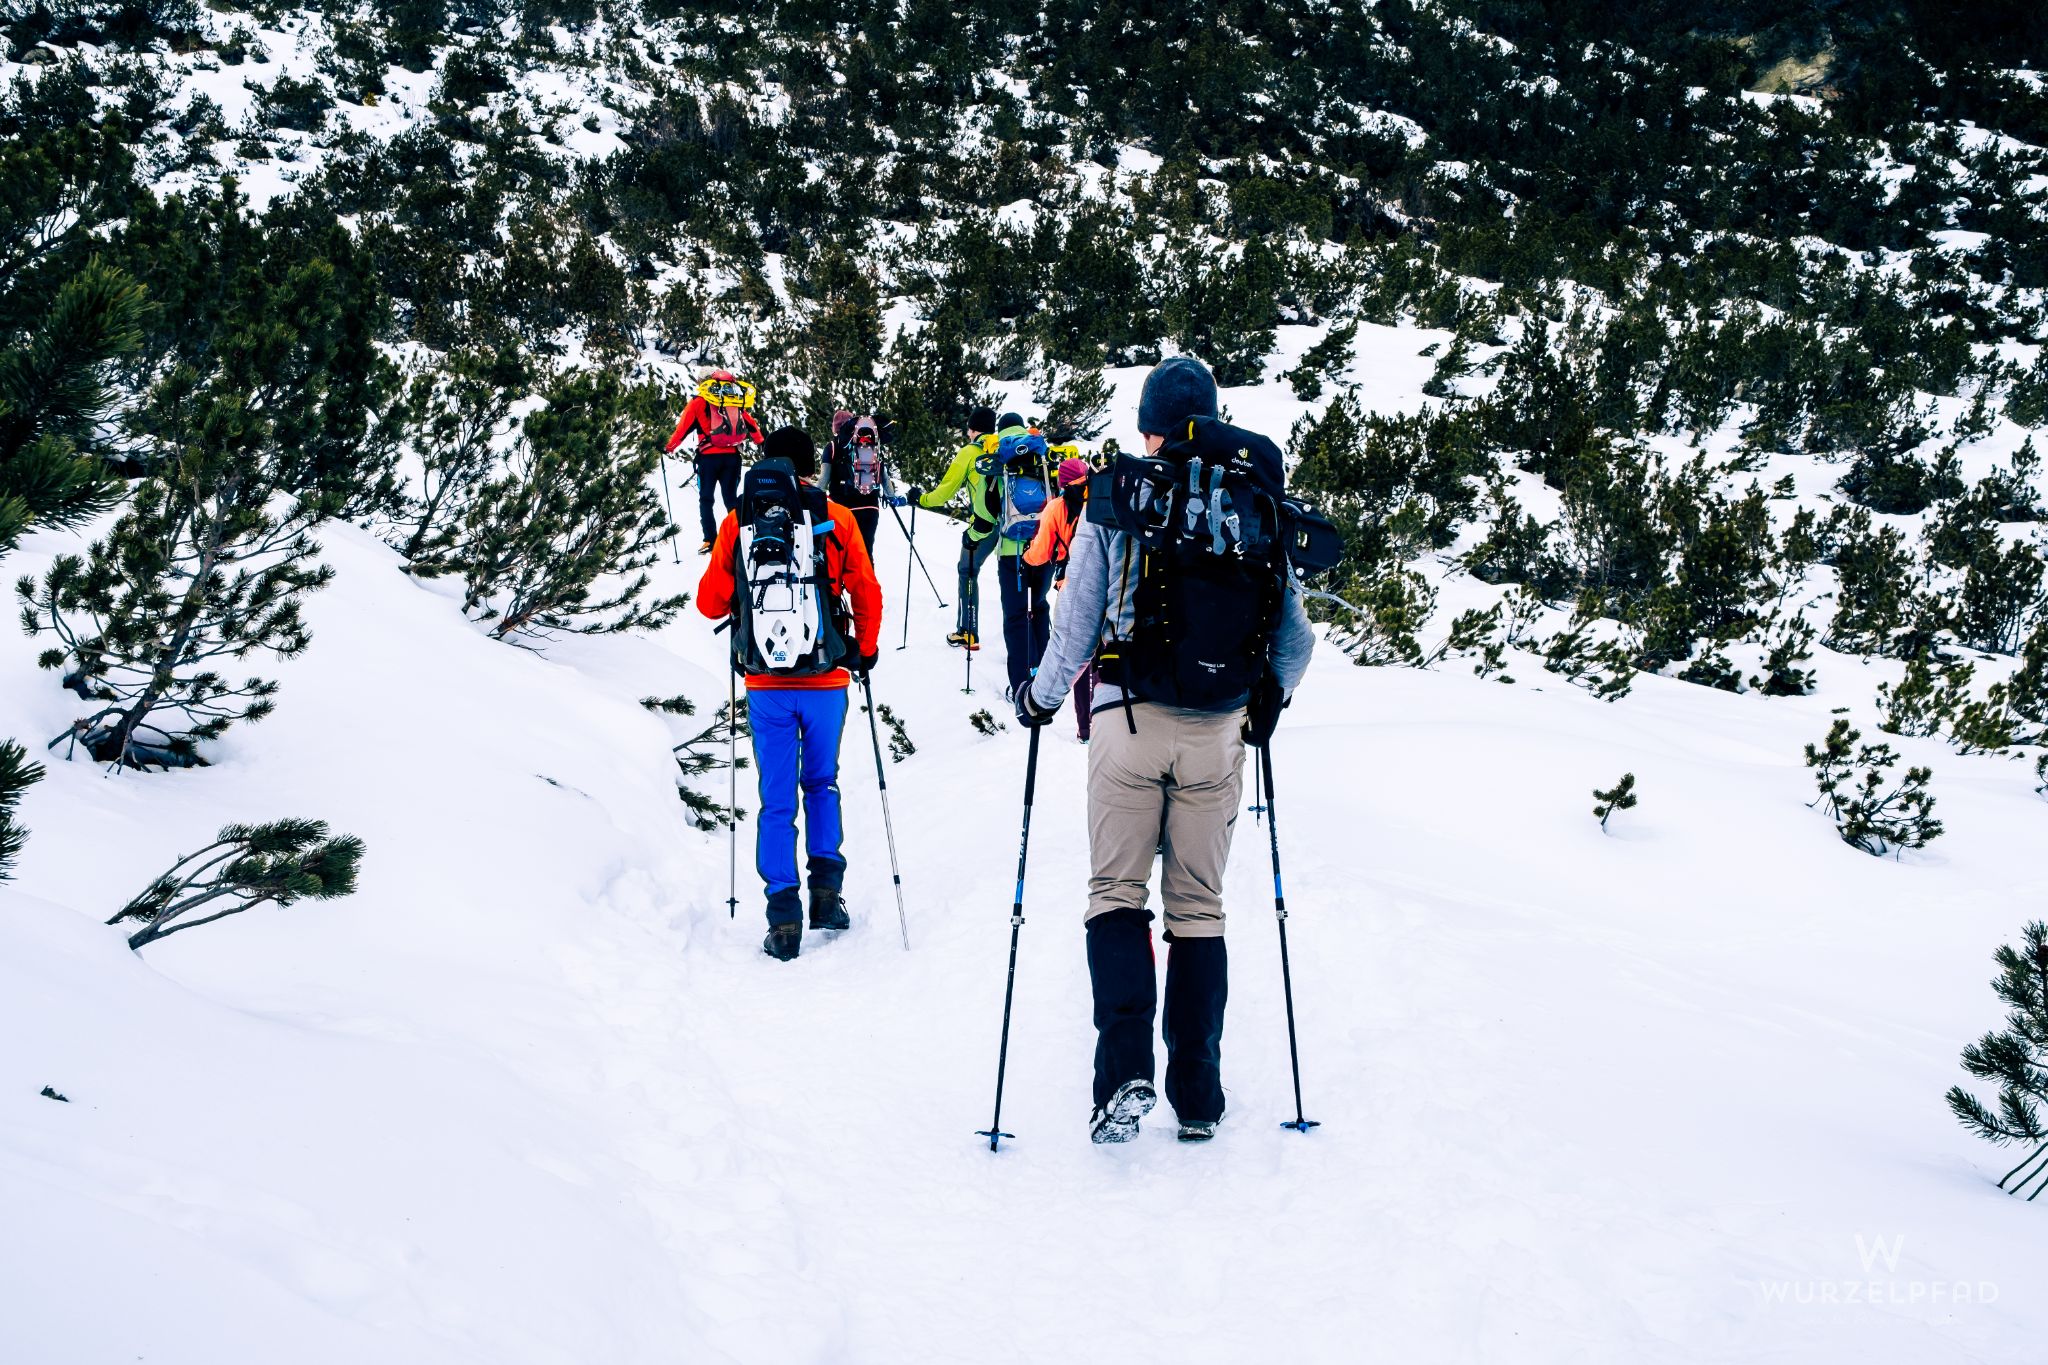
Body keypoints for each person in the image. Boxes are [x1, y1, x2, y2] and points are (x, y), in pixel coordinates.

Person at [1015, 357, 1316, 1144]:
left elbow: (1075, 626)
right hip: (1218, 735)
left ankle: (1124, 1072)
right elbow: (1295, 639)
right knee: (1199, 908)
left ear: (1150, 423)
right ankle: (1199, 1094)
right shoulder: (1253, 501)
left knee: (1116, 892)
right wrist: (1266, 703)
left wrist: (1039, 699)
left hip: (1126, 721)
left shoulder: (1121, 494)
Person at [697, 426, 883, 961]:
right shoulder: (837, 517)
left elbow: (711, 604)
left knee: (775, 800)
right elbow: (865, 589)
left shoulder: (739, 521)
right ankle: (827, 897)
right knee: (822, 783)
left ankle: (783, 922)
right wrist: (863, 650)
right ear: (811, 466)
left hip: (765, 685)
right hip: (825, 678)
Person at [908, 406, 1000, 650]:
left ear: (972, 429)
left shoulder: (970, 452)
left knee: (967, 571)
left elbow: (944, 493)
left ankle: (967, 632)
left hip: (984, 526)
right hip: (1014, 525)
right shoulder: (1003, 448)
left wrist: (921, 499)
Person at [1024, 454, 1097, 742]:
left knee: (1077, 653)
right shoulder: (1101, 496)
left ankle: (1085, 729)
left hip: (1072, 582)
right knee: (1103, 658)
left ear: (1061, 482)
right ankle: (1104, 723)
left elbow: (1041, 553)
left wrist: (1026, 557)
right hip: (1104, 581)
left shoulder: (1057, 507)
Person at [666, 368, 764, 552]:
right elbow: (750, 423)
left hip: (708, 459)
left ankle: (710, 540)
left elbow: (682, 430)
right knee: (730, 499)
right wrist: (761, 442)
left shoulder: (698, 403)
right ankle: (740, 537)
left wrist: (669, 447)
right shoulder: (732, 400)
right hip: (732, 457)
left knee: (706, 499)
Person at [825, 411, 895, 557]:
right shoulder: (871, 441)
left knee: (841, 555)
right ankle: (867, 578)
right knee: (865, 555)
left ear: (835, 427)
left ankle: (842, 579)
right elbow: (883, 474)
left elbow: (823, 479)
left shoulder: (832, 446)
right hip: (870, 507)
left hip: (842, 508)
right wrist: (892, 496)